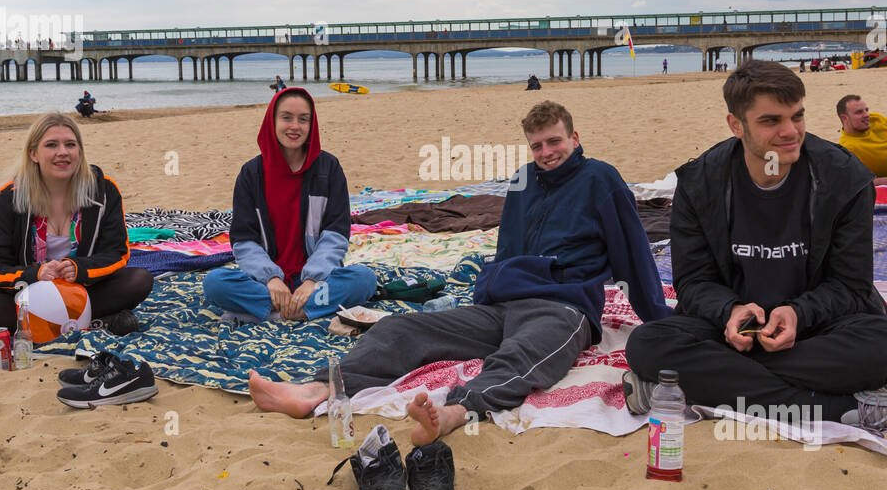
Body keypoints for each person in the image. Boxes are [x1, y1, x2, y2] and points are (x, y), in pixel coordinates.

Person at [247, 100, 671, 444]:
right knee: (400, 329)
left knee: (521, 355)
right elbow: (507, 250)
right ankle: (317, 390)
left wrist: (658, 320)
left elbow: (633, 254)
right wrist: (489, 291)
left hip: (562, 306)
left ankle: (453, 411)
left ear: (575, 139)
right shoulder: (524, 181)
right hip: (502, 303)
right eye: (537, 146)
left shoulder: (601, 179)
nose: (546, 153)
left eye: (554, 141)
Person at [623, 60, 887, 435]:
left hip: (818, 326)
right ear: (736, 125)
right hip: (735, 329)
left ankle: (685, 384)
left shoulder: (843, 177)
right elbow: (692, 281)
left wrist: (798, 313)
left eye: (797, 116)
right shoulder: (701, 182)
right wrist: (730, 310)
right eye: (771, 121)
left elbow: (851, 285)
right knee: (646, 344)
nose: (790, 132)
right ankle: (840, 410)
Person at [0, 112, 152, 334]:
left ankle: (52, 324)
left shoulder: (104, 191)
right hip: (28, 298)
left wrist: (79, 269)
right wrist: (35, 275)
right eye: (51, 145)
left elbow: (117, 253)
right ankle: (93, 321)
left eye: (70, 144)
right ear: (33, 154)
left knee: (139, 279)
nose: (63, 152)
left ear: (80, 151)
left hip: (84, 291)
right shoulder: (8, 198)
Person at [202, 88, 376, 323]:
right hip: (264, 284)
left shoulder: (328, 168)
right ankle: (302, 310)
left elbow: (336, 234)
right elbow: (243, 240)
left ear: (311, 125)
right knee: (215, 284)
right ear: (272, 121)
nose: (295, 126)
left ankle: (275, 313)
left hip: (317, 282)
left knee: (364, 279)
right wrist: (271, 278)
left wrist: (312, 280)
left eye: (303, 119)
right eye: (286, 117)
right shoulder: (251, 174)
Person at [835, 95, 887, 184]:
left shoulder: (875, 118)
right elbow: (858, 182)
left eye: (866, 110)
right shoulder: (848, 148)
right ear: (844, 118)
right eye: (859, 112)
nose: (867, 115)